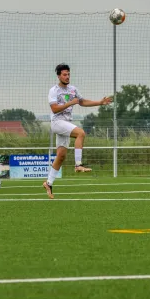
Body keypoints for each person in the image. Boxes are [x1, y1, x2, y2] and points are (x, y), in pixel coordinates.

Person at [43, 63, 113, 199]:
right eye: (64, 74)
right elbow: (54, 109)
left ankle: (48, 183)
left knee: (61, 155)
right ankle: (78, 165)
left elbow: (82, 101)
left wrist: (100, 102)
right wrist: (71, 103)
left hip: (66, 123)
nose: (67, 76)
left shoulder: (73, 89)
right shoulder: (54, 90)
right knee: (81, 133)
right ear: (58, 76)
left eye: (68, 74)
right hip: (57, 123)